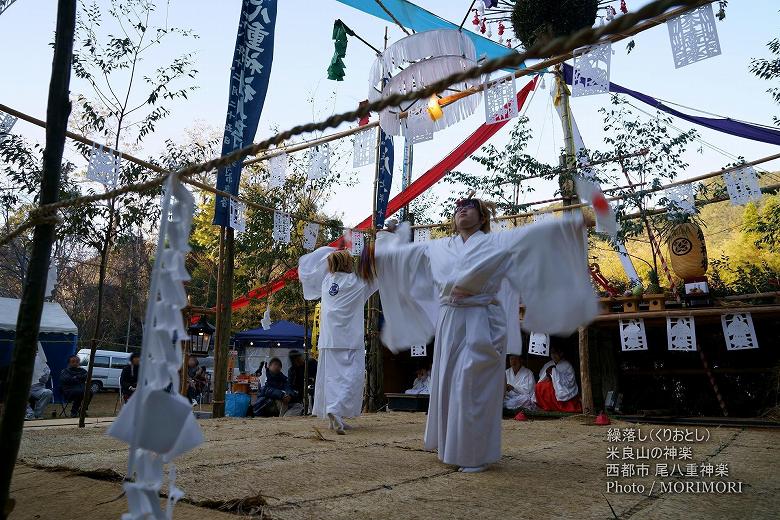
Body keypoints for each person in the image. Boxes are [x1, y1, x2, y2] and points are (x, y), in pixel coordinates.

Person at [373, 198, 597, 472]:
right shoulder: (439, 247)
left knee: (472, 384)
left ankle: (475, 454)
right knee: (448, 383)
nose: (462, 210)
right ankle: (452, 448)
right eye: (458, 208)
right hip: (449, 320)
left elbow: (534, 236)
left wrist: (574, 224)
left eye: (469, 207)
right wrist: (385, 240)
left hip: (482, 319)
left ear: (482, 219)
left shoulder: (497, 242)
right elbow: (402, 257)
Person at [298, 246, 378, 434]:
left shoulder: (326, 282)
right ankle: (335, 409)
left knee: (332, 379)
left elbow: (318, 264)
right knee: (351, 378)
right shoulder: (357, 282)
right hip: (350, 339)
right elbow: (376, 272)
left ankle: (336, 415)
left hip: (329, 340)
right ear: (348, 263)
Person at [535, 346, 582, 413]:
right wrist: (549, 375)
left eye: (555, 353)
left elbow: (570, 381)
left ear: (561, 353)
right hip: (550, 384)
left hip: (564, 387)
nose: (554, 355)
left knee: (551, 388)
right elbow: (541, 376)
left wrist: (555, 373)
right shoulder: (548, 364)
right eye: (552, 353)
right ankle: (546, 407)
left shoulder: (567, 365)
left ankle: (559, 407)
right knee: (539, 386)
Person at [25, 343, 53, 420]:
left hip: (38, 388)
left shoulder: (40, 359)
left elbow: (46, 372)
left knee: (48, 392)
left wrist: (42, 377)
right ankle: (29, 413)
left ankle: (38, 414)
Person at [286, 350, 317, 416]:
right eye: (295, 359)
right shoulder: (292, 371)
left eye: (299, 357)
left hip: (313, 393)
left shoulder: (311, 364)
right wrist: (290, 393)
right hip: (300, 397)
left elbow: (319, 377)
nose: (299, 360)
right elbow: (289, 385)